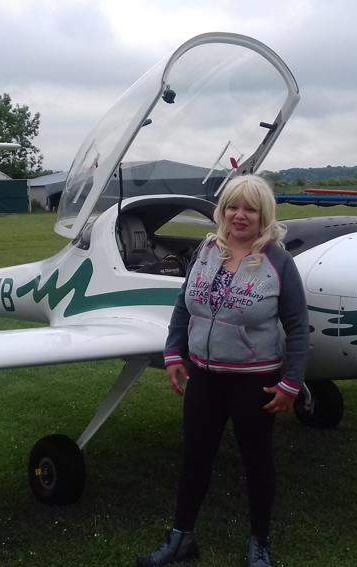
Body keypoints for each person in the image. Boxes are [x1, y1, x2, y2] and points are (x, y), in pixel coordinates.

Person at [137, 175, 309, 567]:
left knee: (257, 462)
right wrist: (173, 353)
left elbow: (298, 327)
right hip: (205, 377)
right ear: (222, 210)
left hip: (256, 381)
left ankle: (259, 544)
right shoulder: (206, 249)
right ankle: (181, 538)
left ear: (264, 214)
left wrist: (291, 383)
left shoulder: (279, 261)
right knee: (195, 457)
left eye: (250, 208)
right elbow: (184, 304)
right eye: (233, 206)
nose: (240, 215)